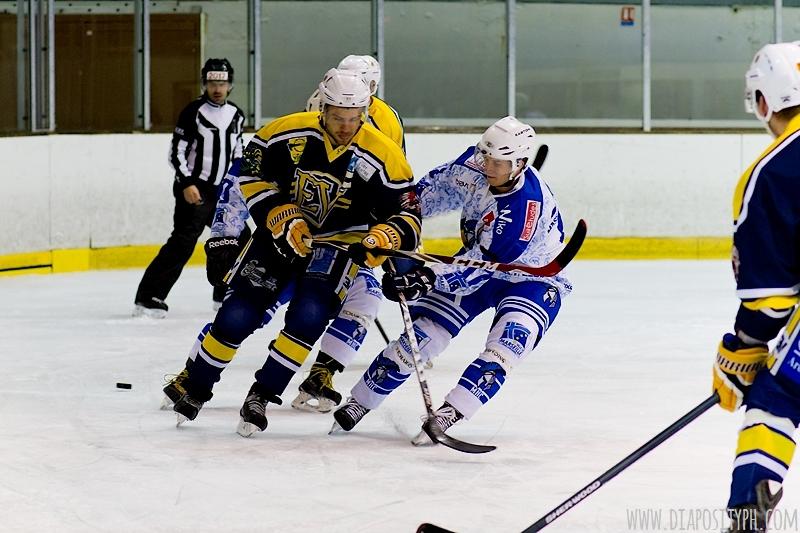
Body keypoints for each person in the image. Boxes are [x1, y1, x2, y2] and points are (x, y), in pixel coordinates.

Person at [169, 68, 421, 438]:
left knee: (309, 317)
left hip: (336, 247)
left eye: (354, 118)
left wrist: (386, 236)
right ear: (323, 110)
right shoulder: (284, 132)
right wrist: (278, 213)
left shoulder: (384, 154)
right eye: (338, 117)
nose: (346, 126)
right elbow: (249, 173)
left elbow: (408, 214)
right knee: (238, 314)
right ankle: (196, 387)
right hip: (279, 238)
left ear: (364, 113)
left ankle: (262, 394)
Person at [331, 116, 572, 441]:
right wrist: (392, 223)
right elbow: (431, 193)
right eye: (485, 156)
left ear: (519, 164)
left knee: (506, 347)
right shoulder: (473, 164)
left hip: (533, 280)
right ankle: (360, 401)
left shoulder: (521, 212)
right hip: (479, 260)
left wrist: (424, 277)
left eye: (498, 162)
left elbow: (479, 268)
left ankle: (449, 413)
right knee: (421, 336)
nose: (487, 166)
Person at [711, 41, 800, 533]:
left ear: (764, 101)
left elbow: (770, 300)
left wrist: (741, 351)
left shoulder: (772, 172)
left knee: (777, 393)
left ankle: (748, 513)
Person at [134, 58, 245, 318]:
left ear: (230, 85)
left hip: (223, 192)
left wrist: (237, 184)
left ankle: (224, 294)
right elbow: (176, 152)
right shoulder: (193, 112)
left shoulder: (237, 115)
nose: (217, 89)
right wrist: (186, 183)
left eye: (222, 83)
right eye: (212, 83)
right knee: (182, 243)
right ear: (204, 84)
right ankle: (149, 297)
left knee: (239, 240)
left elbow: (238, 151)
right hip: (195, 189)